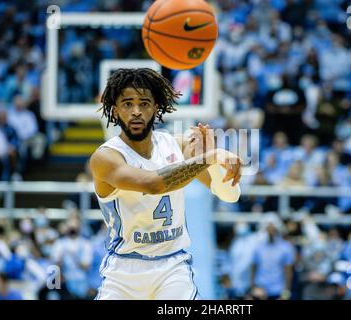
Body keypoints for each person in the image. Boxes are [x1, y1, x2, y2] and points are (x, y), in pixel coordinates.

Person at [89, 68, 242, 300]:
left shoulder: (176, 145)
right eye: (127, 104)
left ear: (156, 108)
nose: (136, 111)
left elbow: (229, 195)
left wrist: (210, 161)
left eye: (144, 103)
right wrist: (208, 158)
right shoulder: (106, 158)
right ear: (114, 110)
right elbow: (153, 184)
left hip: (173, 267)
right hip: (124, 271)